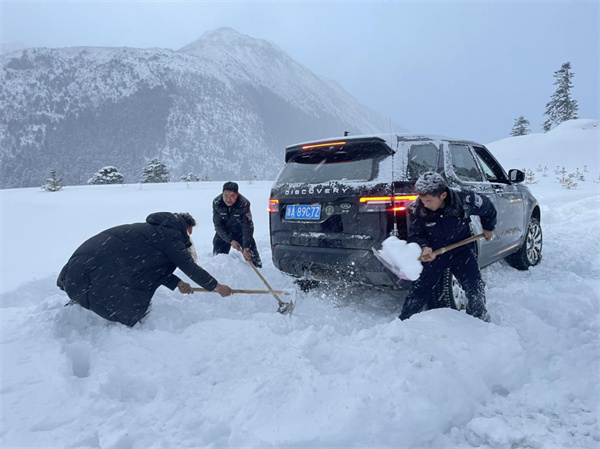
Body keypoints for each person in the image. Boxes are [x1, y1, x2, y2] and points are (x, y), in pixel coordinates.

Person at [57, 212, 233, 327]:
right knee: (131, 310)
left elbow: (150, 265)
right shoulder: (171, 237)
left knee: (107, 283)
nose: (188, 238)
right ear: (184, 227)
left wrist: (177, 282)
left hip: (75, 273)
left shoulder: (154, 232)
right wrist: (217, 287)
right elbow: (190, 267)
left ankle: (80, 297)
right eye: (189, 233)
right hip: (95, 272)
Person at [399, 172, 496, 322]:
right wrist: (424, 246)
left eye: (429, 201)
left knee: (475, 288)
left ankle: (480, 321)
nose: (425, 204)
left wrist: (488, 227)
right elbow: (414, 233)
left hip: (461, 251)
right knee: (418, 291)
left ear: (443, 195)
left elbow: (488, 208)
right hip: (434, 255)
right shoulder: (416, 208)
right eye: (423, 200)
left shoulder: (465, 200)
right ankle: (404, 323)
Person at [212, 181, 262, 268]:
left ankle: (257, 270)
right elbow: (218, 225)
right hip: (224, 233)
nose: (228, 199)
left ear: (237, 195)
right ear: (222, 193)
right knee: (218, 260)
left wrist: (246, 247)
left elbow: (247, 226)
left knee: (252, 258)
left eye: (232, 196)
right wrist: (230, 240)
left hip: (241, 232)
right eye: (226, 195)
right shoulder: (217, 203)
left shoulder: (244, 203)